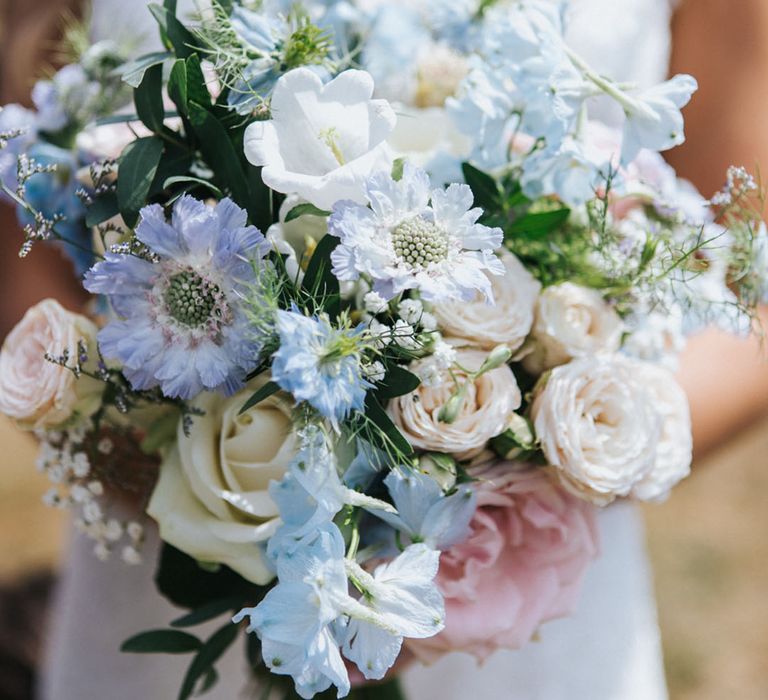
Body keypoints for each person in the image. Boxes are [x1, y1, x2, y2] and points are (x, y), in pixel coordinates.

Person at [1, 0, 760, 698]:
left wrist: (554, 444)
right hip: (167, 551)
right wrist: (153, 457)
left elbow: (752, 287)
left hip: (514, 579)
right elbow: (25, 203)